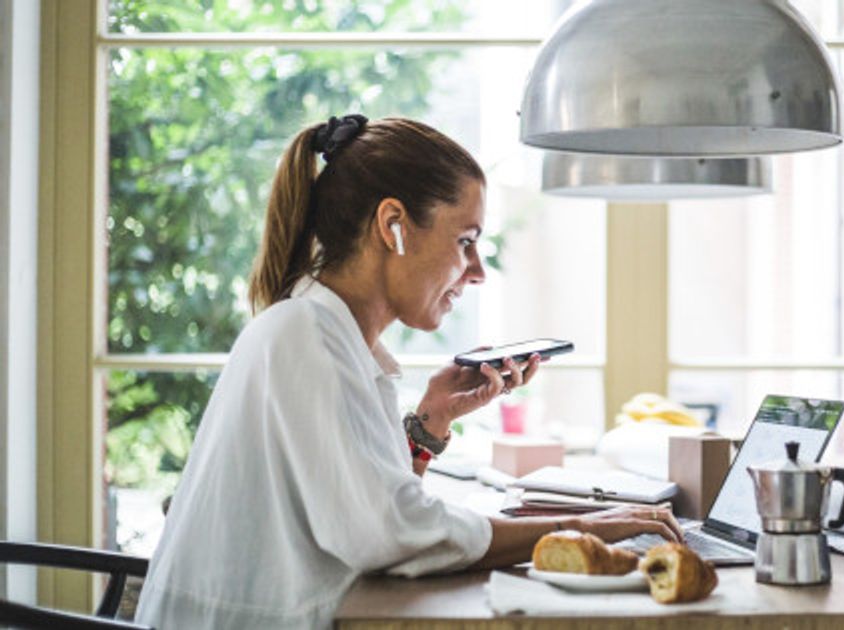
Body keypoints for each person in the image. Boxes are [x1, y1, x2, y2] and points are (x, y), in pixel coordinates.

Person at [134, 115, 682, 629]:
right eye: (465, 241)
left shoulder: (328, 337)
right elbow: (387, 533)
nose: (477, 272)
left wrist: (430, 423)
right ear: (392, 224)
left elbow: (374, 510)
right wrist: (581, 527)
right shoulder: (306, 339)